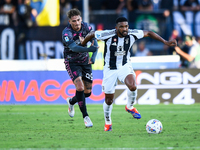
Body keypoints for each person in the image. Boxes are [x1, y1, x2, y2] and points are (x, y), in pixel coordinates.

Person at [81, 17, 177, 131]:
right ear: (116, 28)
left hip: (124, 66)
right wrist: (83, 44)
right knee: (109, 100)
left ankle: (130, 107)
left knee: (133, 86)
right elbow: (92, 34)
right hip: (109, 69)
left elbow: (150, 33)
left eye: (126, 26)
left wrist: (165, 41)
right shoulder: (108, 34)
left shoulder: (132, 34)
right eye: (121, 26)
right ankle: (108, 122)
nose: (125, 28)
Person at [62, 8, 99, 128]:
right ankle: (86, 117)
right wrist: (89, 49)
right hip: (72, 62)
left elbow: (95, 42)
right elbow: (74, 48)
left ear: (81, 19)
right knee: (80, 87)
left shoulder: (86, 27)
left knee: (87, 93)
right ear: (69, 21)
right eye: (74, 21)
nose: (77, 23)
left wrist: (93, 56)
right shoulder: (66, 33)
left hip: (85, 61)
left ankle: (71, 101)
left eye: (78, 20)